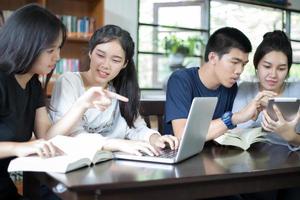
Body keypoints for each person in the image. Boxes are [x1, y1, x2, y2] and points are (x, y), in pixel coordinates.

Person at [0, 4, 126, 199]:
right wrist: (19, 147)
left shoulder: (32, 84)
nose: (57, 57)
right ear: (26, 44)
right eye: (50, 50)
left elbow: (48, 135)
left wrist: (82, 104)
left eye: (58, 48)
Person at [50, 24, 179, 157]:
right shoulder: (69, 81)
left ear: (124, 64)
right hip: (79, 162)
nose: (106, 65)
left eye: (116, 60)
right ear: (90, 52)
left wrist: (155, 139)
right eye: (100, 55)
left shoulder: (120, 89)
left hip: (114, 163)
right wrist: (117, 144)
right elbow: (70, 135)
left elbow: (136, 128)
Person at [165, 27, 254, 140]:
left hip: (215, 154)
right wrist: (234, 118)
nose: (239, 70)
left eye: (244, 64)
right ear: (213, 57)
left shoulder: (230, 86)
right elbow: (183, 135)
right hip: (179, 155)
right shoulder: (180, 80)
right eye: (235, 62)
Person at [232, 30, 300, 151]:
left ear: (288, 69)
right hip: (250, 163)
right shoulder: (245, 89)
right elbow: (234, 136)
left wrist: (292, 137)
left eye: (281, 68)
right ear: (256, 65)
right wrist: (251, 117)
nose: (273, 74)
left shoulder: (297, 90)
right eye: (267, 66)